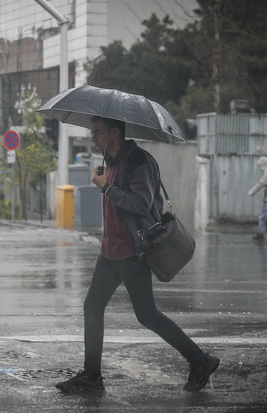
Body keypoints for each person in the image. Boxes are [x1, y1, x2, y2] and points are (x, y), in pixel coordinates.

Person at [55, 116, 219, 394]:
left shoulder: (138, 162)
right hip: (110, 251)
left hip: (132, 252)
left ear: (114, 132)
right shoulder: (112, 161)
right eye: (92, 133)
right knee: (93, 307)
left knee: (147, 315)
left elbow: (142, 203)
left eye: (97, 133)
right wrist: (106, 183)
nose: (92, 138)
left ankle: (200, 360)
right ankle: (92, 376)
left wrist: (107, 187)